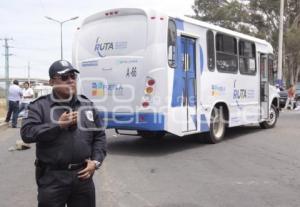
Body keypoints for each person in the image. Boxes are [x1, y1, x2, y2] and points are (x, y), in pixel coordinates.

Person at [21, 60, 107, 207]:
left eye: (73, 76)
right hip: (52, 179)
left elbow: (99, 136)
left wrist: (96, 161)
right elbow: (27, 134)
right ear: (51, 82)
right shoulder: (39, 106)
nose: (70, 80)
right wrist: (58, 125)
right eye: (64, 77)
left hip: (83, 177)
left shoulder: (87, 105)